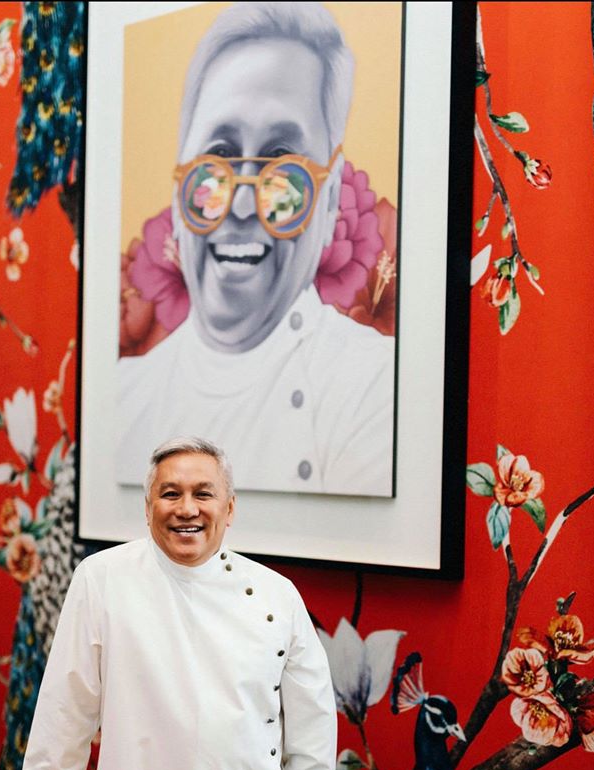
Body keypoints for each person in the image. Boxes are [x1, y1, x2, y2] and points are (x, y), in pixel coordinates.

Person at [5, 437, 337, 770]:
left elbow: (313, 722)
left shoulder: (276, 596)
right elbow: (68, 704)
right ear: (147, 509)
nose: (187, 509)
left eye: (203, 494)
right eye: (170, 494)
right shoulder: (103, 579)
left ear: (229, 508)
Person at [117, 1, 396, 497]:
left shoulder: (374, 389)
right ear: (179, 190)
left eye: (281, 163)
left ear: (331, 195)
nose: (242, 206)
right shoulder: (123, 397)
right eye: (219, 157)